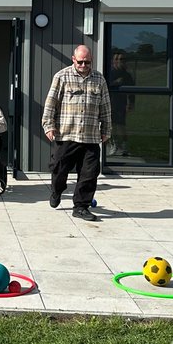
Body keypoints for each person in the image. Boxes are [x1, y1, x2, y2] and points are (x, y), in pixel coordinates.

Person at [42, 45, 111, 221]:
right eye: (80, 62)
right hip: (66, 134)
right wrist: (48, 125)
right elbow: (51, 103)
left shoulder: (99, 79)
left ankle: (81, 207)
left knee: (90, 173)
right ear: (73, 59)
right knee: (59, 169)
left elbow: (105, 107)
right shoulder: (62, 76)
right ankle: (57, 191)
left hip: (90, 136)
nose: (83, 65)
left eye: (87, 62)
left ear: (91, 61)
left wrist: (106, 129)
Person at [107, 50, 135, 156]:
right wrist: (115, 83)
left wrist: (131, 103)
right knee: (111, 126)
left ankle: (124, 146)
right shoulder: (109, 73)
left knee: (121, 125)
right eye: (117, 59)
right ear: (113, 61)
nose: (120, 61)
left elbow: (132, 90)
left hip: (121, 103)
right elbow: (105, 85)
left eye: (122, 59)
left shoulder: (126, 75)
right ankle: (114, 145)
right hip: (110, 102)